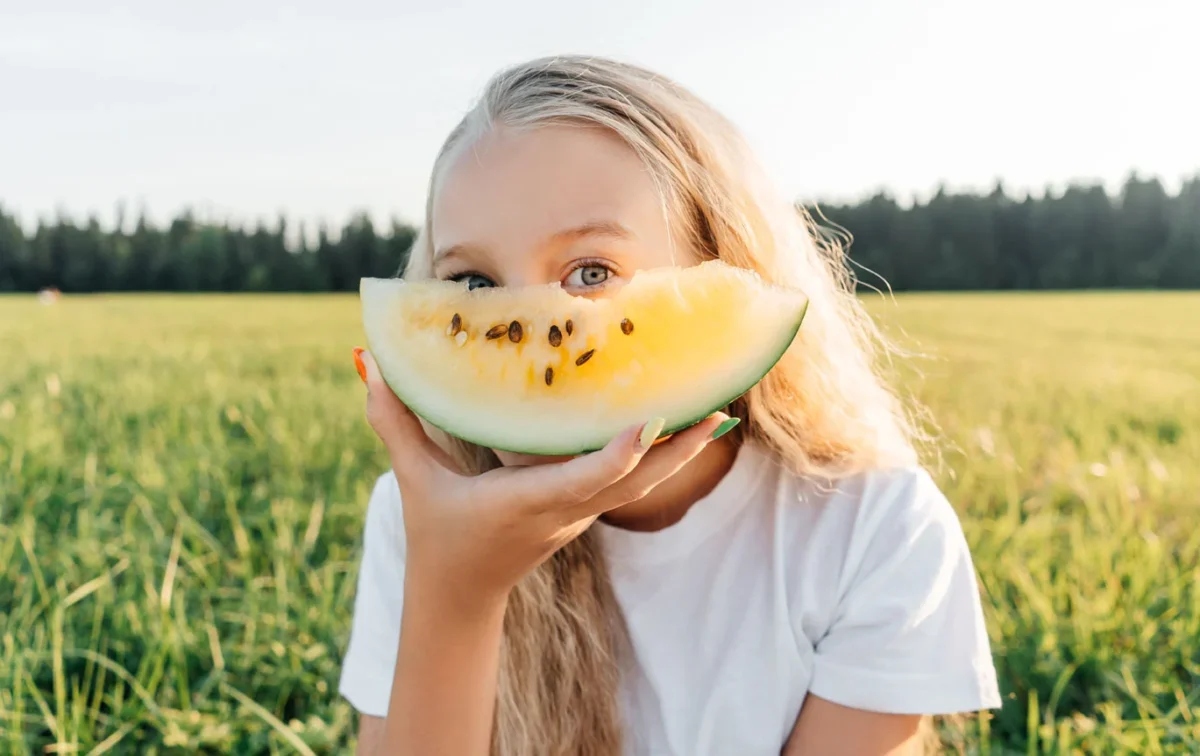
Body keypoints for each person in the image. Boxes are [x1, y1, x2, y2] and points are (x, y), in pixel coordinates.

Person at [339, 55, 1001, 755]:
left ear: (725, 269)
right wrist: (456, 590)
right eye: (472, 286)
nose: (530, 334)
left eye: (590, 272)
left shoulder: (873, 528)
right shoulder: (420, 516)